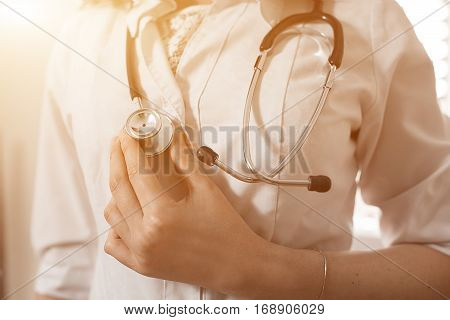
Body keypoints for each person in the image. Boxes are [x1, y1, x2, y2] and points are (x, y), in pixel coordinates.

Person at [32, 0, 450, 299]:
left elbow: (441, 255)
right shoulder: (81, 35)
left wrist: (254, 268)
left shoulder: (365, 18)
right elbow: (64, 275)